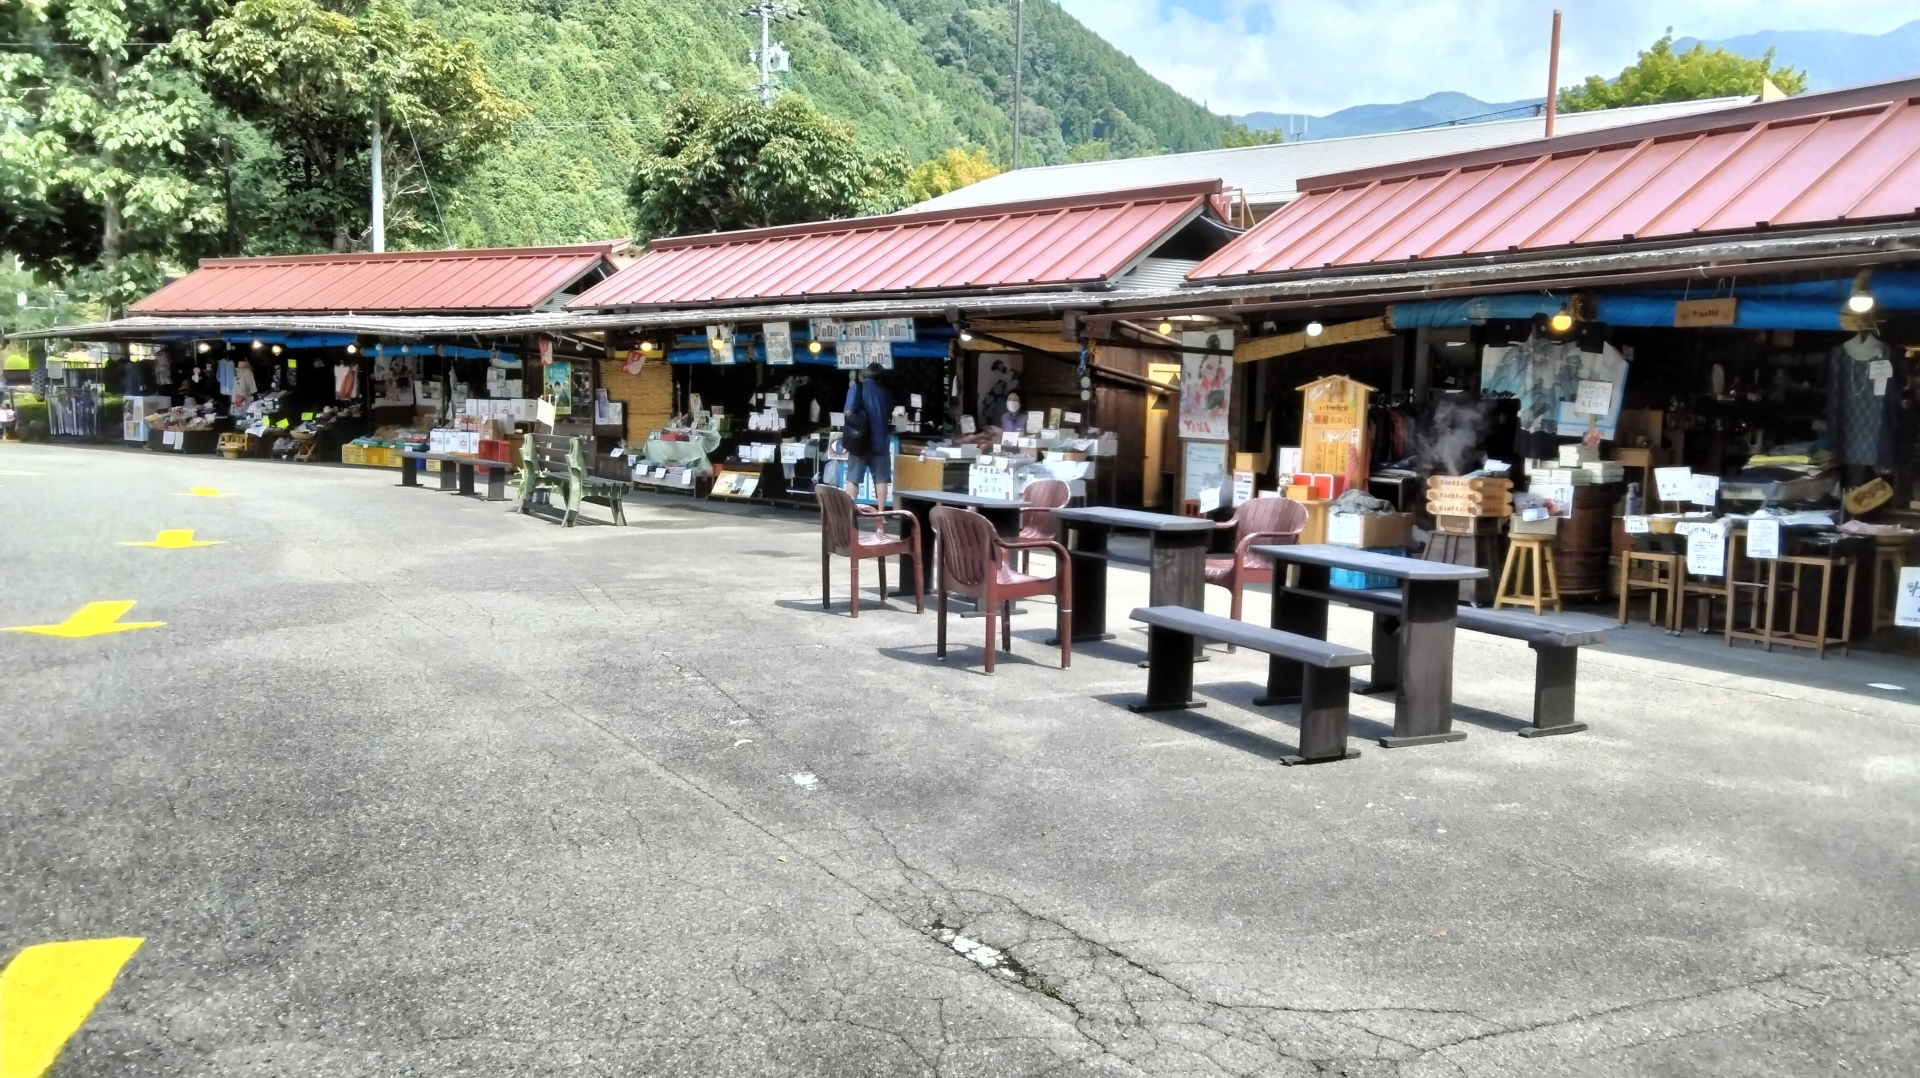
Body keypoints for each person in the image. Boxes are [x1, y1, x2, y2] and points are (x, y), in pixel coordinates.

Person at [843, 362, 894, 519]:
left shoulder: (856, 389)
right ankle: (881, 514)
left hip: (860, 442)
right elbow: (888, 414)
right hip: (880, 442)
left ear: (863, 375)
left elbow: (847, 412)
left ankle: (849, 513)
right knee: (881, 479)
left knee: (853, 478)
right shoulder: (884, 393)